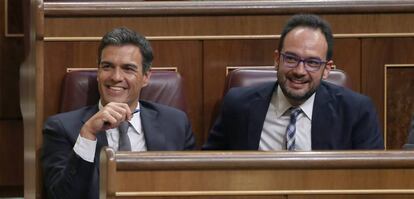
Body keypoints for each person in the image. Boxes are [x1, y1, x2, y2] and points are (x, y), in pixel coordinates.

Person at [42, 27, 195, 199]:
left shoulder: (176, 123)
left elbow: (191, 189)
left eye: (128, 69)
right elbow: (62, 196)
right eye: (107, 67)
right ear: (98, 73)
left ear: (146, 77)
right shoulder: (62, 128)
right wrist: (88, 134)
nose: (116, 77)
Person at [203, 14, 384, 151]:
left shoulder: (356, 111)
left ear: (327, 69)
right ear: (277, 59)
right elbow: (210, 167)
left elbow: (371, 178)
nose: (299, 71)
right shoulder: (239, 105)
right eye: (291, 58)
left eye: (312, 63)